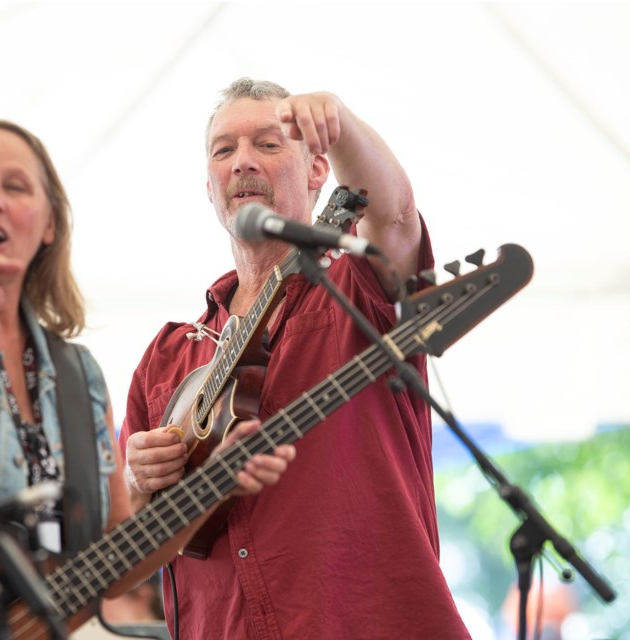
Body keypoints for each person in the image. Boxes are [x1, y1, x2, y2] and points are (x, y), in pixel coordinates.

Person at [0, 118, 293, 633]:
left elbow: (111, 562)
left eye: (15, 187)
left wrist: (213, 486)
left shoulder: (77, 376)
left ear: (49, 224)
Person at [120, 78, 472, 639]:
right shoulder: (166, 356)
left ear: (316, 172)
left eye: (268, 143)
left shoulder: (356, 290)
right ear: (209, 187)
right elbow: (122, 555)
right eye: (223, 150)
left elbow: (397, 217)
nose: (242, 163)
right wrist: (140, 483)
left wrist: (341, 122)